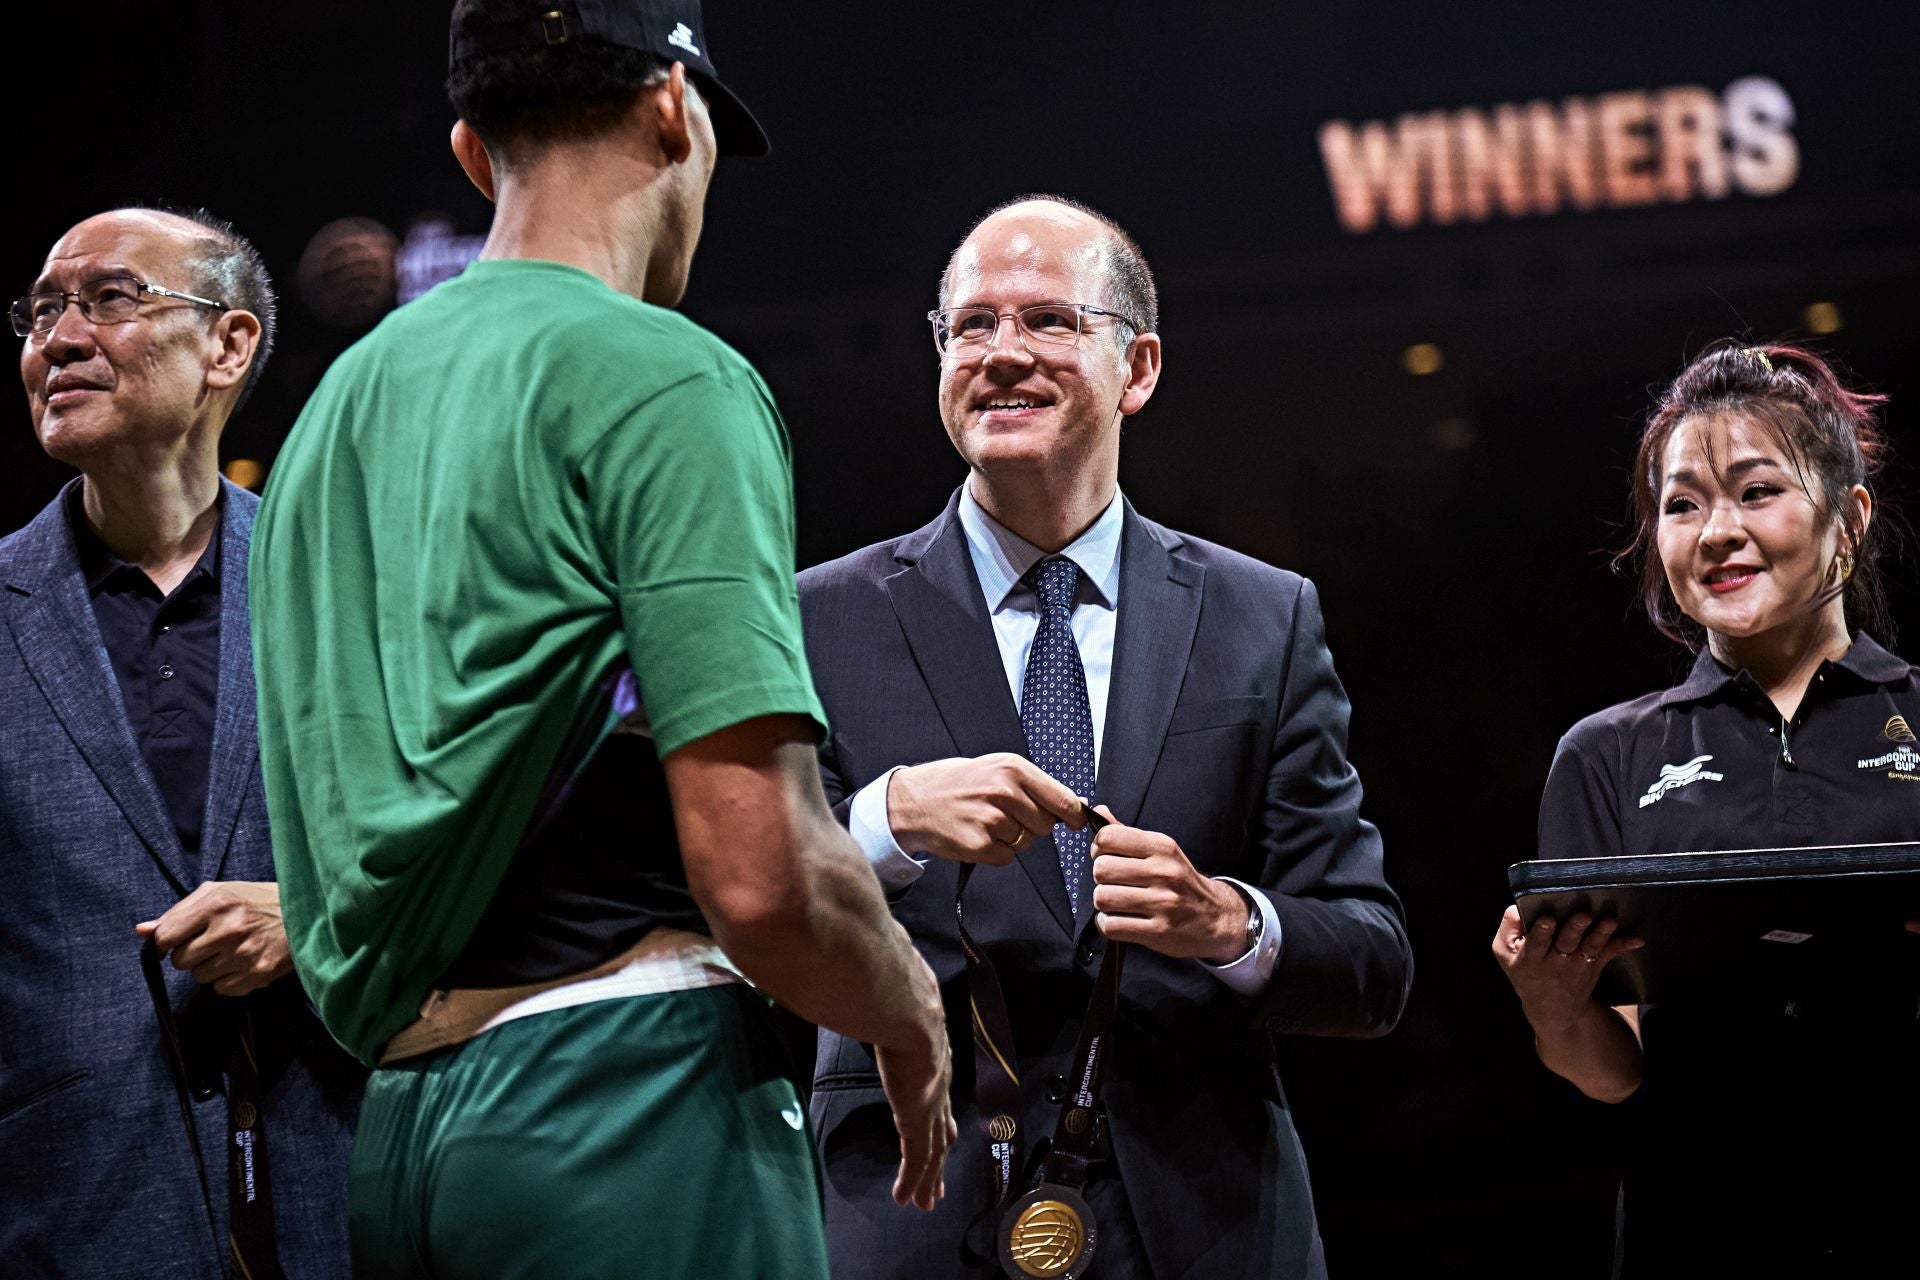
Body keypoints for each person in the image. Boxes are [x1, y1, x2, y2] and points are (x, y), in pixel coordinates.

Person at [247, 4, 952, 1279]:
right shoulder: (666, 374)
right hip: (626, 1107)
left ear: (473, 149)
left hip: (399, 1136)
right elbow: (763, 876)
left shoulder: (325, 420)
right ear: (674, 107)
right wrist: (905, 1006)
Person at [799, 194, 1413, 1280]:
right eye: (971, 325)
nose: (1001, 353)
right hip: (910, 1212)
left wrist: (1227, 919)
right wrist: (883, 823)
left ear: (1138, 368)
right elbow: (733, 908)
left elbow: (1369, 962)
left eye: (1047, 320)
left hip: (1204, 1222)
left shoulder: (1262, 617)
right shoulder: (821, 614)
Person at [1492, 341, 1920, 1276]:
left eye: (1757, 490)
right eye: (1682, 504)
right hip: (1697, 1228)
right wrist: (1553, 1007)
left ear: (1848, 518)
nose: (1716, 530)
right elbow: (1615, 1069)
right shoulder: (1605, 756)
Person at [0, 207, 360, 1278]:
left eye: (111, 298)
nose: (60, 338)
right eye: (42, 310)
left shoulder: (352, 587)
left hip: (350, 1197)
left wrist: (321, 922)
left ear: (229, 344)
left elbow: (477, 856)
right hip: (73, 1223)